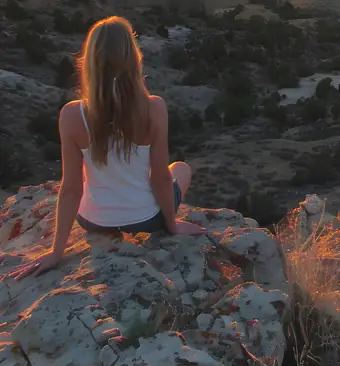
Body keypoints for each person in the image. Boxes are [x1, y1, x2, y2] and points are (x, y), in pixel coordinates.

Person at [10, 16, 205, 281]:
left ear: (89, 61)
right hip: (145, 220)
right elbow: (159, 177)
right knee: (180, 169)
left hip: (92, 220)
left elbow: (70, 187)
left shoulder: (71, 114)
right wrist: (172, 224)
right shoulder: (154, 108)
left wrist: (57, 251)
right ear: (132, 57)